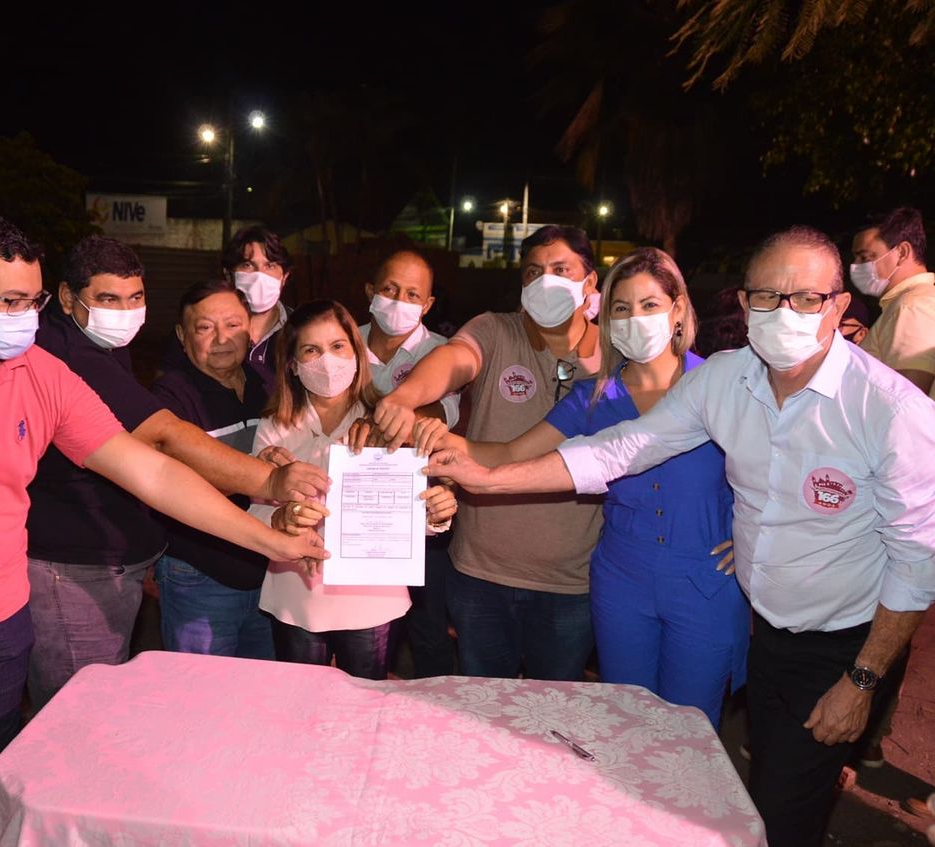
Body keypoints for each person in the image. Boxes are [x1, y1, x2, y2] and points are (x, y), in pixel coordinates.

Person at [425, 226, 935, 847]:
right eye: (768, 296)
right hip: (760, 624)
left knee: (768, 799)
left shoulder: (890, 411)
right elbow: (625, 448)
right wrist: (485, 478)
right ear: (745, 305)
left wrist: (862, 680)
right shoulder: (724, 380)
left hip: (839, 638)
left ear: (838, 306)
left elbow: (915, 562)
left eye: (806, 298)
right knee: (715, 760)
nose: (785, 312)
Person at [0, 213, 326, 846]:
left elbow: (151, 472)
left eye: (36, 300)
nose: (28, 317)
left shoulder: (38, 375)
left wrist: (271, 541)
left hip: (0, 617)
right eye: (12, 301)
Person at [430, 248, 746, 725]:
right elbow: (514, 453)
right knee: (621, 719)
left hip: (706, 578)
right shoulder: (594, 396)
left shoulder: (719, 385)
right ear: (607, 317)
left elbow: (774, 471)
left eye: (650, 305)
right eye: (621, 308)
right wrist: (440, 443)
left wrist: (758, 538)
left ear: (678, 309)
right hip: (622, 580)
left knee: (690, 726)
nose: (635, 318)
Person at [26, 236, 328, 709]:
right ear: (67, 298)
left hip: (123, 561)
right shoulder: (71, 357)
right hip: (79, 568)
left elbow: (145, 467)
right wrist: (269, 483)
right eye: (108, 299)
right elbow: (164, 446)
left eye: (136, 297)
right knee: (83, 713)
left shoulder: (107, 346)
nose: (124, 311)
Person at [371, 225, 603, 682]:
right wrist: (405, 397)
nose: (545, 282)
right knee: (480, 706)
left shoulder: (616, 353)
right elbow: (454, 361)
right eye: (533, 272)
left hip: (571, 583)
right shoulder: (496, 330)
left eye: (561, 270)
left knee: (553, 715)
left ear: (589, 282)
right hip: (481, 574)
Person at [250, 300, 457, 679]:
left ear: (358, 355)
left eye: (337, 346)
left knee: (365, 707)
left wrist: (435, 513)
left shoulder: (388, 422)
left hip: (370, 597)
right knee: (299, 703)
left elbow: (407, 516)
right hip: (298, 592)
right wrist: (282, 517)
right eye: (311, 350)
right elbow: (254, 513)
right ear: (293, 365)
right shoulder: (274, 429)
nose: (326, 360)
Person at [150, 280, 274, 658]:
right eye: (205, 327)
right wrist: (263, 477)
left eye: (233, 325)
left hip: (269, 576)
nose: (221, 338)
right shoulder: (168, 400)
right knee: (200, 699)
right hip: (201, 577)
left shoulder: (268, 387)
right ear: (182, 336)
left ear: (250, 328)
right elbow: (174, 490)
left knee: (264, 694)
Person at [357, 249, 460, 677]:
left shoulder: (445, 356)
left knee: (428, 630)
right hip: (353, 518)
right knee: (360, 633)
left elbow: (440, 414)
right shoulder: (342, 344)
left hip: (422, 518)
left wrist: (382, 420)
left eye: (413, 294)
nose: (400, 301)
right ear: (370, 292)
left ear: (429, 304)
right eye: (390, 289)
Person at [852, 207, 935, 392]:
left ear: (903, 252)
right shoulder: (916, 301)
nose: (856, 266)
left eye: (865, 257)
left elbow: (909, 400)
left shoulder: (911, 306)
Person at [225, 225, 293, 394]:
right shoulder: (205, 329)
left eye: (269, 266)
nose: (259, 276)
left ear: (284, 277)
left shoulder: (301, 329)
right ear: (228, 275)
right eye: (248, 265)